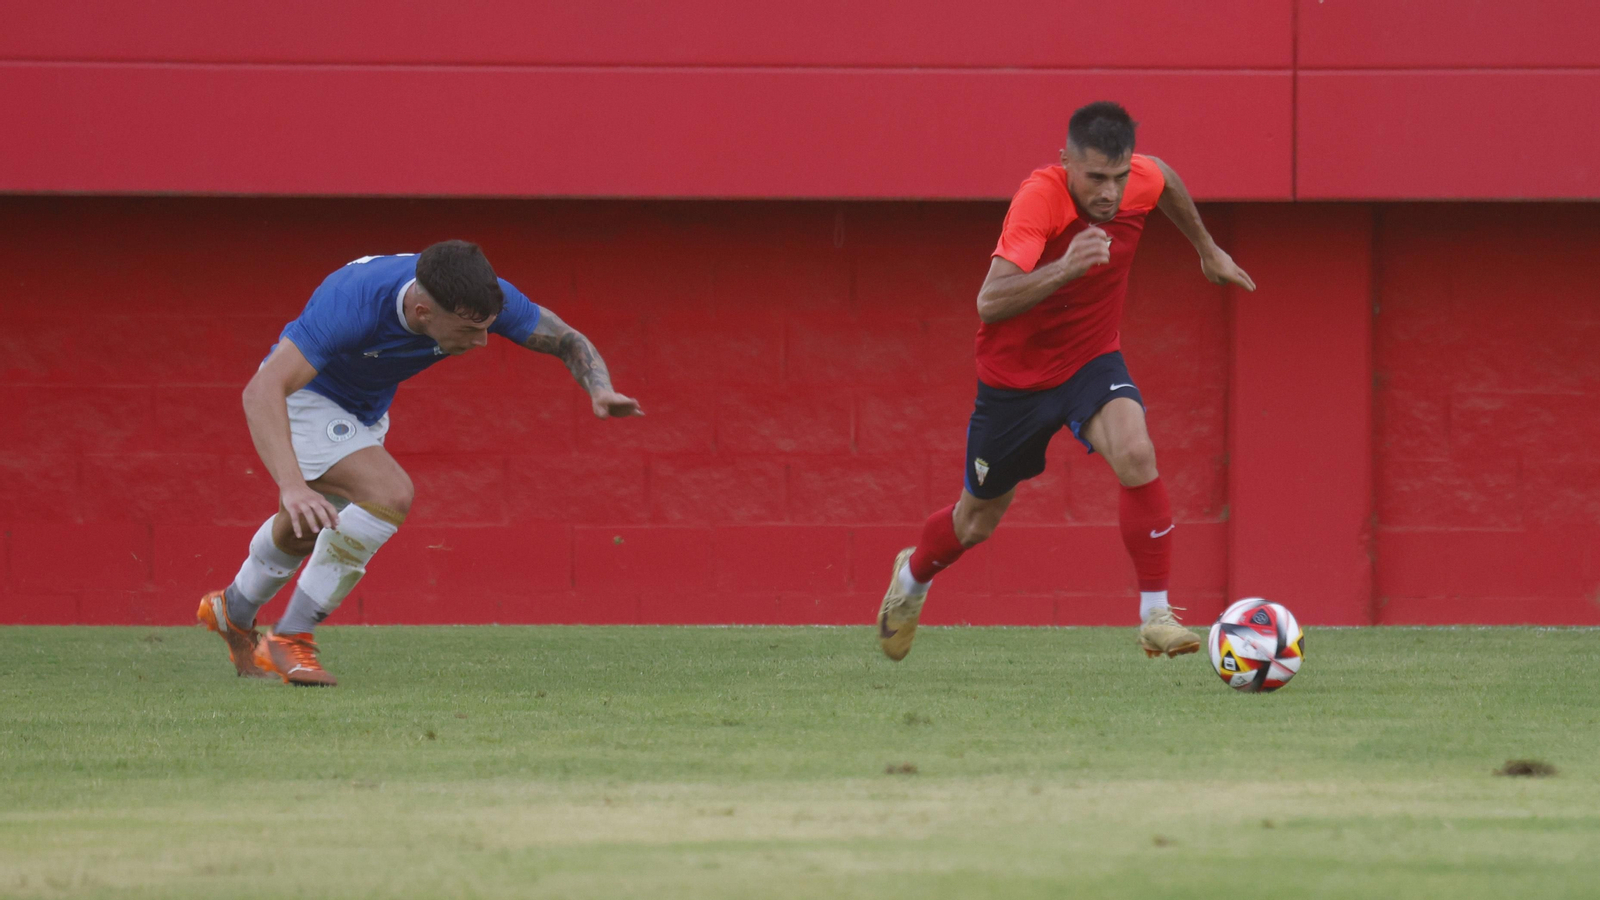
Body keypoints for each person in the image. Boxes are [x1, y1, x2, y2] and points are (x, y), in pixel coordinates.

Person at [876, 101, 1256, 662]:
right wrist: (1067, 267)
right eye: (1096, 177)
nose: (1110, 192)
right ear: (1066, 163)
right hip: (1014, 384)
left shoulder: (1139, 180)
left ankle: (1155, 615)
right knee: (974, 523)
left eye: (1119, 177)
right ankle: (910, 581)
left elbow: (1166, 177)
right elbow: (990, 302)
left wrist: (1207, 247)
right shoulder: (1040, 199)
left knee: (1136, 451)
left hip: (1090, 361)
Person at [197, 241, 642, 685]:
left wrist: (599, 389)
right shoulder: (353, 301)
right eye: (470, 330)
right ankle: (291, 638)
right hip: (304, 398)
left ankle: (233, 611)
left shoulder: (480, 297)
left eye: (488, 327)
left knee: (306, 527)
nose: (484, 340)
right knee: (388, 493)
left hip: (364, 412)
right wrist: (292, 484)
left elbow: (568, 339)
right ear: (424, 310)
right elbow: (261, 389)